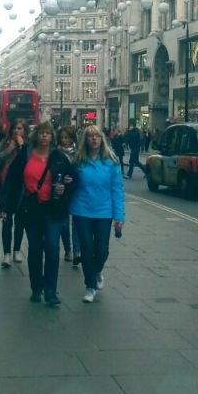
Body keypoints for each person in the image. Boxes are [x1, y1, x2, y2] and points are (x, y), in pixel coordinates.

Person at [0, 121, 73, 306]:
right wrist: (4, 207)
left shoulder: (59, 157)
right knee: (34, 247)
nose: (45, 136)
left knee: (52, 247)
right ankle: (36, 288)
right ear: (36, 135)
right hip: (31, 207)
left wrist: (67, 184)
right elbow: (11, 180)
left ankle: (50, 291)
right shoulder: (25, 155)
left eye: (48, 133)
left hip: (53, 208)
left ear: (52, 137)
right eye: (42, 133)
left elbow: (73, 178)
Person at [70, 125, 125, 304]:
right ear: (85, 140)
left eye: (97, 136)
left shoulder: (111, 162)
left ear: (102, 139)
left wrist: (120, 217)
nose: (94, 139)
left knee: (102, 250)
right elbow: (71, 185)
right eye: (90, 136)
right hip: (82, 210)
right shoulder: (79, 161)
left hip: (103, 212)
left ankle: (97, 271)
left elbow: (117, 190)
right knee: (86, 249)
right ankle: (90, 287)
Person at [0, 118, 30, 267]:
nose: (16, 131)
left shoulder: (28, 147)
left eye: (19, 128)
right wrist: (7, 151)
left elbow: (29, 164)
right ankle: (6, 253)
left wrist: (22, 146)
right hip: (5, 188)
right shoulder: (4, 144)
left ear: (25, 131)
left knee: (20, 222)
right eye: (14, 128)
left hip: (21, 189)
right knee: (6, 221)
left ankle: (17, 250)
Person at [56, 126, 81, 266]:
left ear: (72, 138)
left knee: (76, 223)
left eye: (66, 137)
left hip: (76, 191)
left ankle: (77, 251)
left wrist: (74, 179)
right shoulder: (56, 153)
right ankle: (68, 250)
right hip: (63, 192)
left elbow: (82, 173)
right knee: (64, 224)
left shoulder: (79, 154)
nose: (63, 140)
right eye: (62, 138)